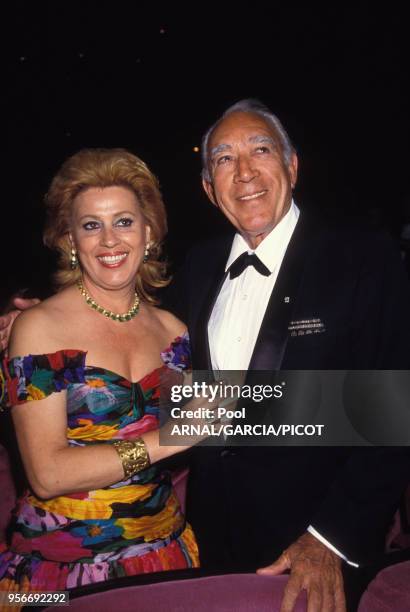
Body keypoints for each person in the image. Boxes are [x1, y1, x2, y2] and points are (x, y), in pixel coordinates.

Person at [162, 99, 410, 611]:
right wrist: (42, 319)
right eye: (224, 159)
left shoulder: (363, 258)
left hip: (317, 551)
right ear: (209, 188)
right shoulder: (198, 265)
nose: (245, 171)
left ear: (292, 166)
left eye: (260, 149)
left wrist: (330, 538)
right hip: (211, 542)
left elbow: (394, 413)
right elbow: (143, 339)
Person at [0, 148, 205, 597]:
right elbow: (48, 474)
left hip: (166, 557)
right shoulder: (40, 328)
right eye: (91, 225)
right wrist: (167, 438)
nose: (110, 240)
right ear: (70, 240)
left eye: (124, 221)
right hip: (59, 573)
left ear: (149, 232)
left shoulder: (176, 333)